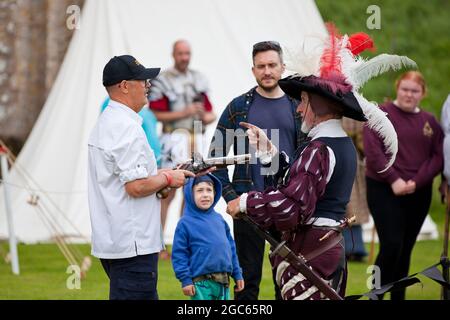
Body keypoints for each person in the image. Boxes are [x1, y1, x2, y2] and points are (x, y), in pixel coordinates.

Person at [226, 26, 404, 300]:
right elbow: (302, 184)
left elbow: (292, 207)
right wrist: (270, 153)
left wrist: (246, 202)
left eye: (304, 101)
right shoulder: (338, 144)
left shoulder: (319, 149)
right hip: (325, 247)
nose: (298, 108)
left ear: (317, 106)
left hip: (312, 250)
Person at [88, 55, 195, 300]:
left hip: (119, 241)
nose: (148, 85)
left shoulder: (111, 121)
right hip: (132, 246)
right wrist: (169, 179)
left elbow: (129, 178)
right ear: (124, 86)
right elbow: (136, 187)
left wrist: (168, 173)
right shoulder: (125, 127)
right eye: (142, 80)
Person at [208, 41, 305, 300]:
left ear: (282, 67)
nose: (267, 71)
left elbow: (308, 157)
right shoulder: (237, 107)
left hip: (286, 205)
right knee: (246, 283)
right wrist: (231, 198)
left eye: (272, 65)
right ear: (253, 70)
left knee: (286, 283)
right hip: (247, 206)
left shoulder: (300, 107)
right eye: (261, 66)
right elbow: (215, 158)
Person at [363, 71, 444, 300]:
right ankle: (375, 294)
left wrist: (416, 182)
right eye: (405, 89)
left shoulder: (430, 122)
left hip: (418, 192)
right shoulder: (381, 115)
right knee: (391, 245)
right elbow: (373, 150)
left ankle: (398, 297)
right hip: (383, 188)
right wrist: (394, 179)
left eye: (415, 91)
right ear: (398, 88)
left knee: (405, 248)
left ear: (422, 93)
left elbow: (437, 157)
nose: (409, 94)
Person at [149, 40, 216, 259]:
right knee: (167, 191)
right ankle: (158, 245)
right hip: (172, 138)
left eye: (187, 53)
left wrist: (204, 117)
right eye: (181, 53)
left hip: (196, 138)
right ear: (173, 54)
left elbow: (210, 113)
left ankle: (183, 245)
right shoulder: (163, 81)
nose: (184, 57)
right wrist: (185, 112)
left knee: (191, 193)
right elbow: (155, 114)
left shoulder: (199, 79)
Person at [172, 174, 244, 300]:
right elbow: (179, 254)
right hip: (200, 283)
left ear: (215, 193)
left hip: (223, 282)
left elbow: (231, 249)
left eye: (209, 190)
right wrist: (185, 280)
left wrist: (237, 274)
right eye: (200, 190)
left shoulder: (220, 220)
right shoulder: (185, 223)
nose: (205, 194)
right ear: (190, 194)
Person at [101, 97, 162, 166]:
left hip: (152, 162)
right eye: (144, 85)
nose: (147, 86)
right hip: (131, 163)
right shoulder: (112, 101)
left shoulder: (144, 106)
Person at [341, 117, 370, 262]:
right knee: (347, 206)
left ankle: (356, 248)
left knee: (353, 205)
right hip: (345, 159)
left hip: (353, 162)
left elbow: (362, 140)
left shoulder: (355, 113)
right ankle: (346, 248)